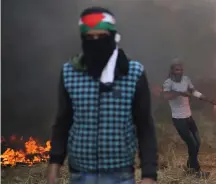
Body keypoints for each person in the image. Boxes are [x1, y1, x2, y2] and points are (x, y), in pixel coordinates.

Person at [47, 7, 157, 184]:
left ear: (113, 36)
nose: (96, 42)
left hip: (120, 174)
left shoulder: (132, 73)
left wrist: (149, 173)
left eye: (102, 37)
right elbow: (63, 121)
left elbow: (145, 125)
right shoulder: (70, 73)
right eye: (89, 38)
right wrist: (55, 162)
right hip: (81, 174)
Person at [162, 60, 212, 178]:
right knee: (192, 145)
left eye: (181, 69)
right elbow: (166, 96)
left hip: (188, 117)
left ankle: (190, 166)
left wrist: (202, 97)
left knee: (197, 143)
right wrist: (179, 93)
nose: (180, 72)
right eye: (177, 70)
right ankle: (196, 171)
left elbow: (193, 90)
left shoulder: (186, 79)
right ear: (172, 71)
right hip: (179, 120)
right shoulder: (168, 83)